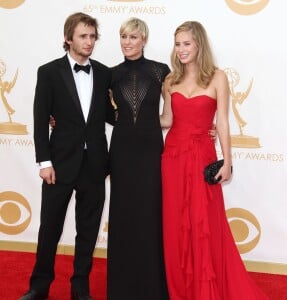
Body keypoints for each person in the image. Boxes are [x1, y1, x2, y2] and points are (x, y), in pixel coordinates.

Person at [160, 21, 269, 299]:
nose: (181, 50)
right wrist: (127, 118)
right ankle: (180, 289)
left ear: (199, 44)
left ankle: (205, 289)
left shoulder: (217, 77)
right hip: (172, 157)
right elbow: (166, 120)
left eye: (187, 43)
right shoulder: (170, 80)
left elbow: (221, 121)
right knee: (176, 224)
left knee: (204, 224)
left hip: (201, 157)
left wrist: (227, 161)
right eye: (177, 44)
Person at [19, 12, 115, 300]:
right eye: (83, 36)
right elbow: (39, 119)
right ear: (68, 38)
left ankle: (80, 286)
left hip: (95, 164)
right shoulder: (48, 72)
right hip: (58, 164)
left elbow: (112, 115)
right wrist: (44, 161)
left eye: (92, 36)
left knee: (88, 230)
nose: (89, 42)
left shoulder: (105, 73)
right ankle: (39, 286)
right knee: (50, 228)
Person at [106, 17, 170, 300]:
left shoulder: (161, 71)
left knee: (150, 212)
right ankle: (122, 287)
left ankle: (151, 285)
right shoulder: (110, 74)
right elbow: (98, 112)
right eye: (123, 37)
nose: (127, 42)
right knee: (123, 213)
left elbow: (174, 110)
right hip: (121, 150)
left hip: (150, 150)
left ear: (144, 39)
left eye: (132, 37)